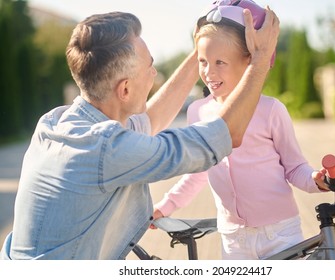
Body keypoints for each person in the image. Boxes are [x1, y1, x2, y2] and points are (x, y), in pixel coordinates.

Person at [0, 7, 280, 260]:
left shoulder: (57, 121)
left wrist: (203, 49)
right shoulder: (105, 148)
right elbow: (225, 136)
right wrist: (260, 59)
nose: (154, 74)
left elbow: (152, 120)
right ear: (124, 90)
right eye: (149, 67)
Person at [152, 0, 335, 260]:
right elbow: (197, 174)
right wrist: (165, 206)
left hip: (280, 234)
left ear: (249, 59)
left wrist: (318, 179)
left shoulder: (271, 110)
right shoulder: (197, 112)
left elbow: (294, 168)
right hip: (233, 239)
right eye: (202, 61)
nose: (208, 72)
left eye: (220, 62)